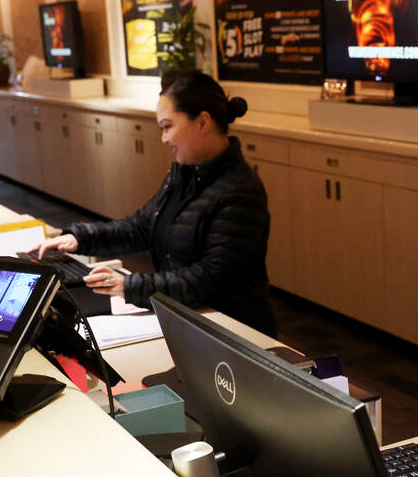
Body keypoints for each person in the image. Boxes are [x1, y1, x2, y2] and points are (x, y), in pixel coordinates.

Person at [29, 71, 276, 335]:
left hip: (236, 333)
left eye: (168, 127)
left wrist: (129, 285)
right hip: (192, 319)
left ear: (203, 122)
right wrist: (79, 238)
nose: (164, 139)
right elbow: (143, 227)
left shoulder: (239, 191)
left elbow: (208, 279)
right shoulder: (186, 173)